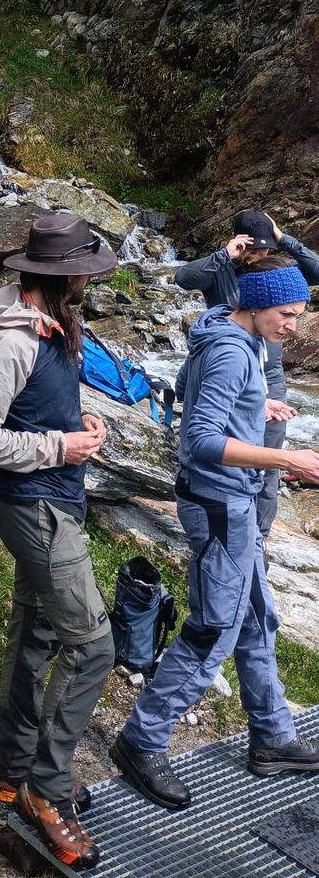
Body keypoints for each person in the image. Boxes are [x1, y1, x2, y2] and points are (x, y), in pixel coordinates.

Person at [111, 257, 319, 810]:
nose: (294, 326)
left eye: (299, 316)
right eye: (287, 315)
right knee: (214, 630)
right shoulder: (232, 350)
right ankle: (141, 741)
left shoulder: (227, 334)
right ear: (253, 305)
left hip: (232, 501)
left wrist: (258, 408)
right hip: (221, 504)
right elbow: (201, 439)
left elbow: (187, 391)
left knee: (257, 614)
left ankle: (273, 737)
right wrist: (286, 460)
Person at [0, 212, 118, 872]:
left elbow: (35, 408)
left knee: (37, 641)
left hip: (54, 503)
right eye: (84, 269)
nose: (89, 279)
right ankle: (47, 791)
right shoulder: (11, 341)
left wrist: (74, 419)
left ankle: (11, 777)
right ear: (60, 274)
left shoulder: (51, 324)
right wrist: (59, 445)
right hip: (37, 512)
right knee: (94, 646)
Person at [175, 209, 319, 536]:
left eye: (266, 248)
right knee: (231, 455)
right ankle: (231, 531)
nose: (259, 255)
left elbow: (317, 271)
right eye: (254, 248)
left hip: (271, 380)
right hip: (231, 372)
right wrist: (225, 254)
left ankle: (258, 537)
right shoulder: (221, 270)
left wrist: (284, 239)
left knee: (268, 466)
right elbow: (183, 278)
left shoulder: (279, 275)